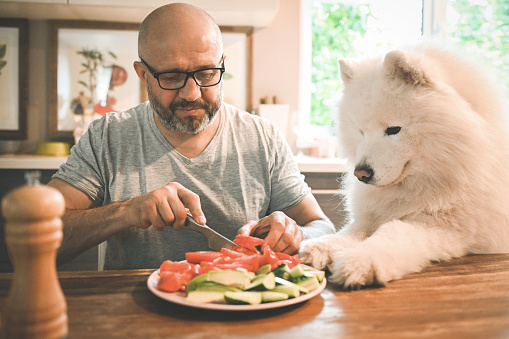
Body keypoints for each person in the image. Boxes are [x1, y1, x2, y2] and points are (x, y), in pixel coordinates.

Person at [48, 3, 336, 270]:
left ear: (222, 64)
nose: (192, 93)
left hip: (242, 312)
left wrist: (294, 233)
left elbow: (322, 228)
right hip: (135, 314)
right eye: (171, 77)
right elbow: (37, 236)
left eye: (207, 73)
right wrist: (127, 211)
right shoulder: (108, 136)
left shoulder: (263, 138)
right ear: (143, 74)